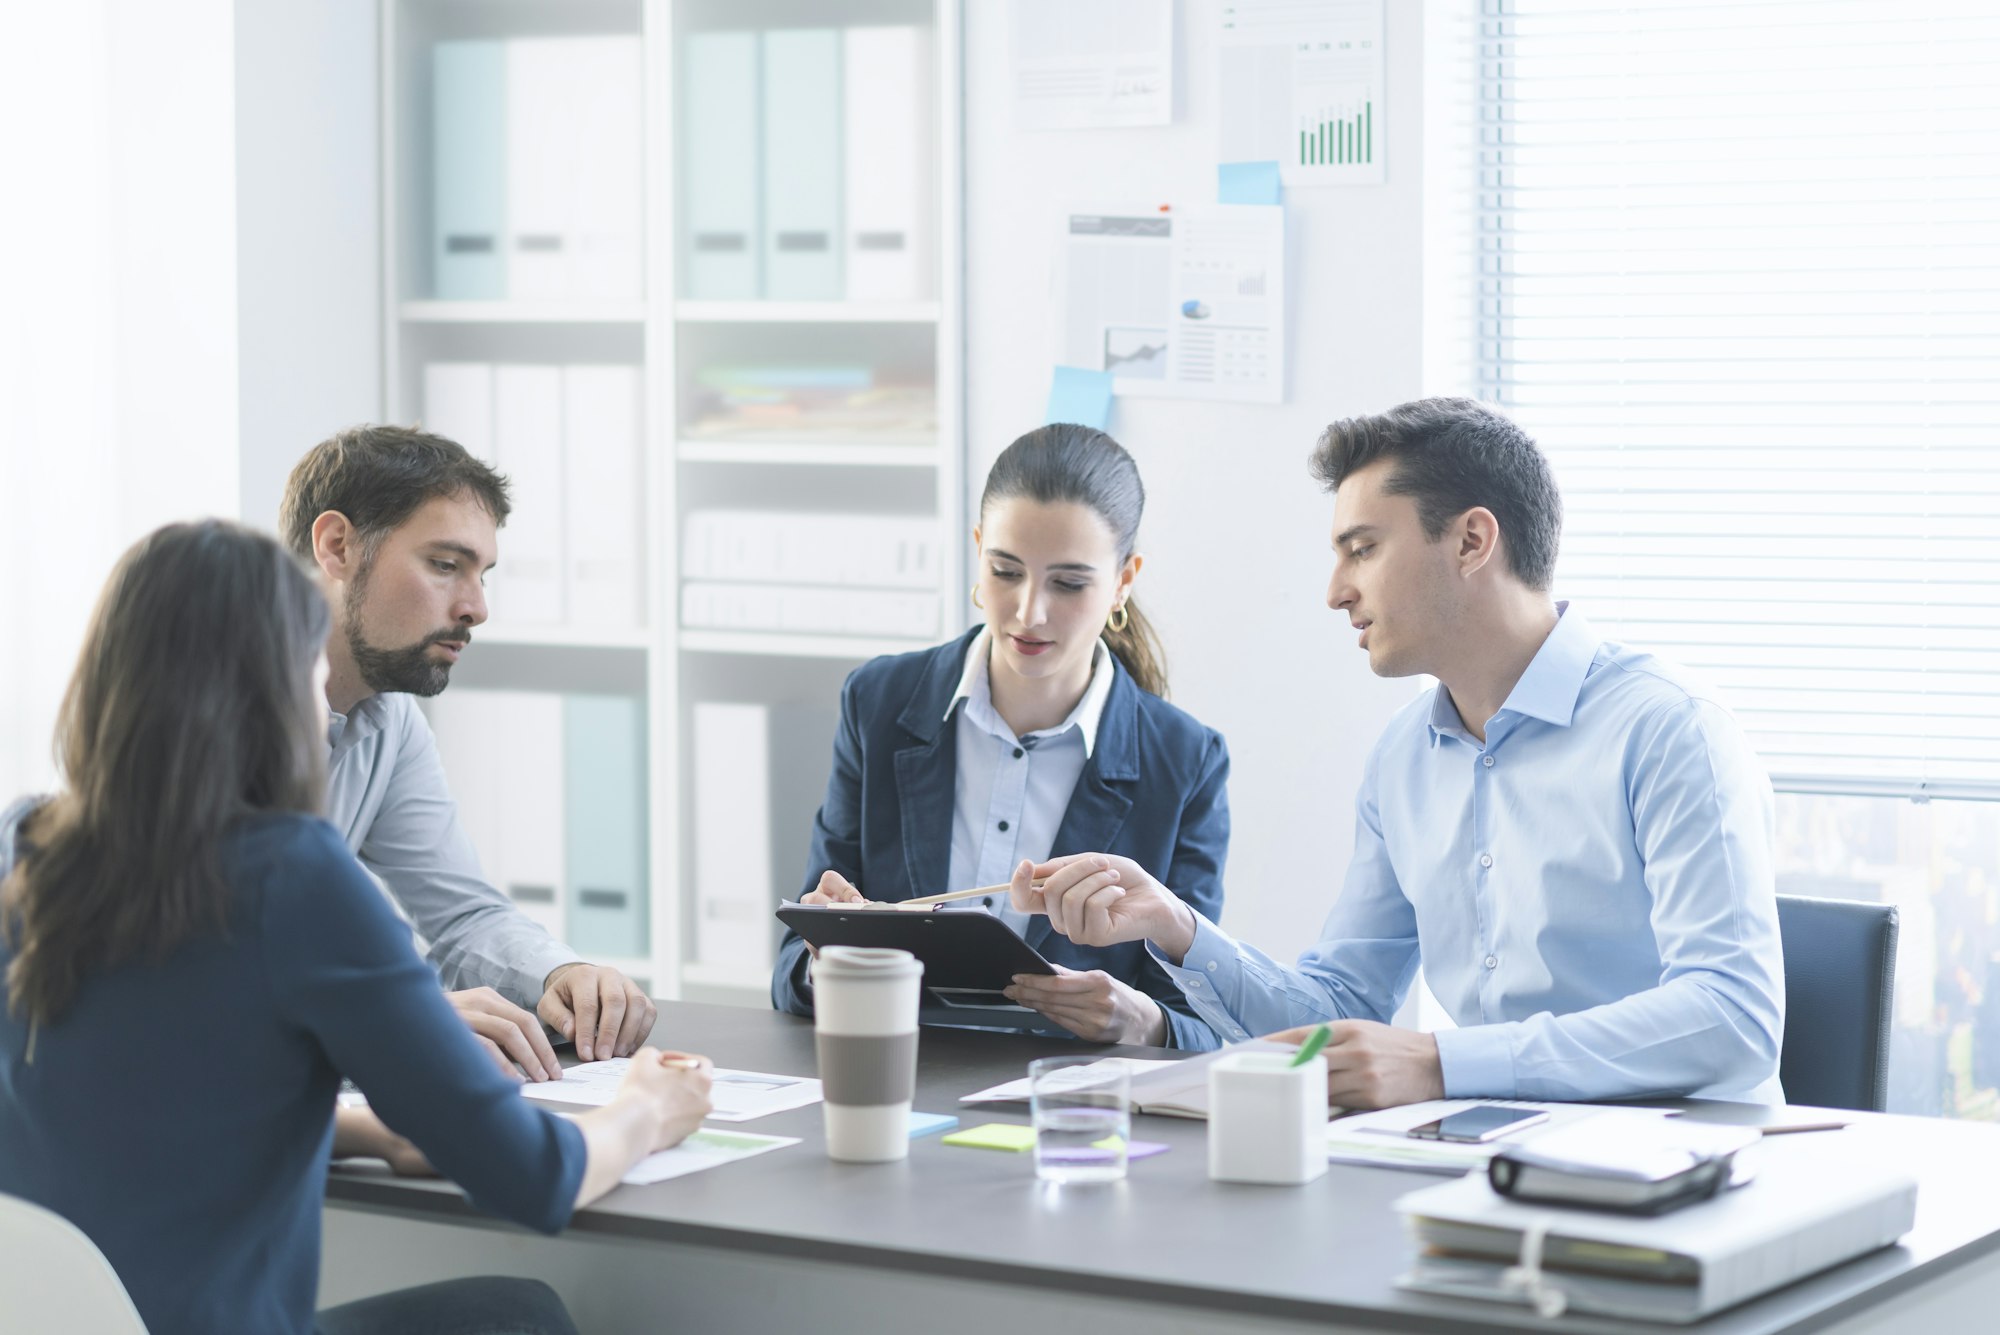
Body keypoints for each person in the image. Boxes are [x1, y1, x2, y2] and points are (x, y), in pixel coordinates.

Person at [0, 520, 712, 1335]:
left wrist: (359, 1131)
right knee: (519, 1316)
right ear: (275, 690)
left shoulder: (26, 845)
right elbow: (531, 1176)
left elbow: (120, 1095)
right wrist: (646, 1110)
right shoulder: (291, 873)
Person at [1012, 398, 1785, 1103]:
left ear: (1473, 540)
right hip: (1493, 1160)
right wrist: (1174, 924)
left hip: (1683, 1175)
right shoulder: (1403, 758)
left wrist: (1442, 1064)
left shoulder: (1671, 729)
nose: (1336, 589)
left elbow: (1733, 1015)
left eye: (1363, 548)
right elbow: (1340, 1010)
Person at [772, 424, 1230, 1049]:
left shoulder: (1185, 760)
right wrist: (826, 962)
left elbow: (1205, 1022)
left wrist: (1142, 1022)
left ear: (1124, 580)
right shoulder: (879, 703)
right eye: (1006, 570)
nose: (1029, 611)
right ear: (979, 550)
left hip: (1074, 1102)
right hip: (896, 1075)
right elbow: (788, 969)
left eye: (1069, 583)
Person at [280, 425, 652, 1080]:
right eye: (446, 565)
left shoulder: (389, 717)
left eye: (482, 574)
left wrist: (561, 972)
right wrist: (397, 1014)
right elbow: (189, 976)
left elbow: (463, 916)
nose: (476, 607)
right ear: (337, 546)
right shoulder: (208, 708)